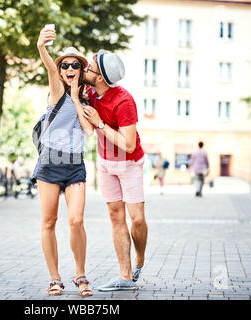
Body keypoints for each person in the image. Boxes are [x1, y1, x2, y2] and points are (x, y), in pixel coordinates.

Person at [31, 27, 94, 297]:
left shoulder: (87, 100)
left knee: (76, 221)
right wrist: (41, 47)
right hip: (49, 164)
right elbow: (48, 65)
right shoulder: (56, 89)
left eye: (75, 65)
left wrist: (78, 99)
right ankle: (55, 278)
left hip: (74, 165)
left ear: (81, 70)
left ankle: (80, 273)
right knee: (48, 221)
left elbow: (90, 131)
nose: (69, 68)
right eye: (65, 65)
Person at [78, 49, 148, 291]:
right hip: (106, 163)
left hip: (129, 163)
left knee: (137, 219)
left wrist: (100, 123)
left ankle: (139, 259)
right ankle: (125, 276)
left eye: (90, 68)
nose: (85, 69)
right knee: (116, 217)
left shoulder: (124, 101)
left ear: (100, 77)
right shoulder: (88, 92)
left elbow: (128, 144)